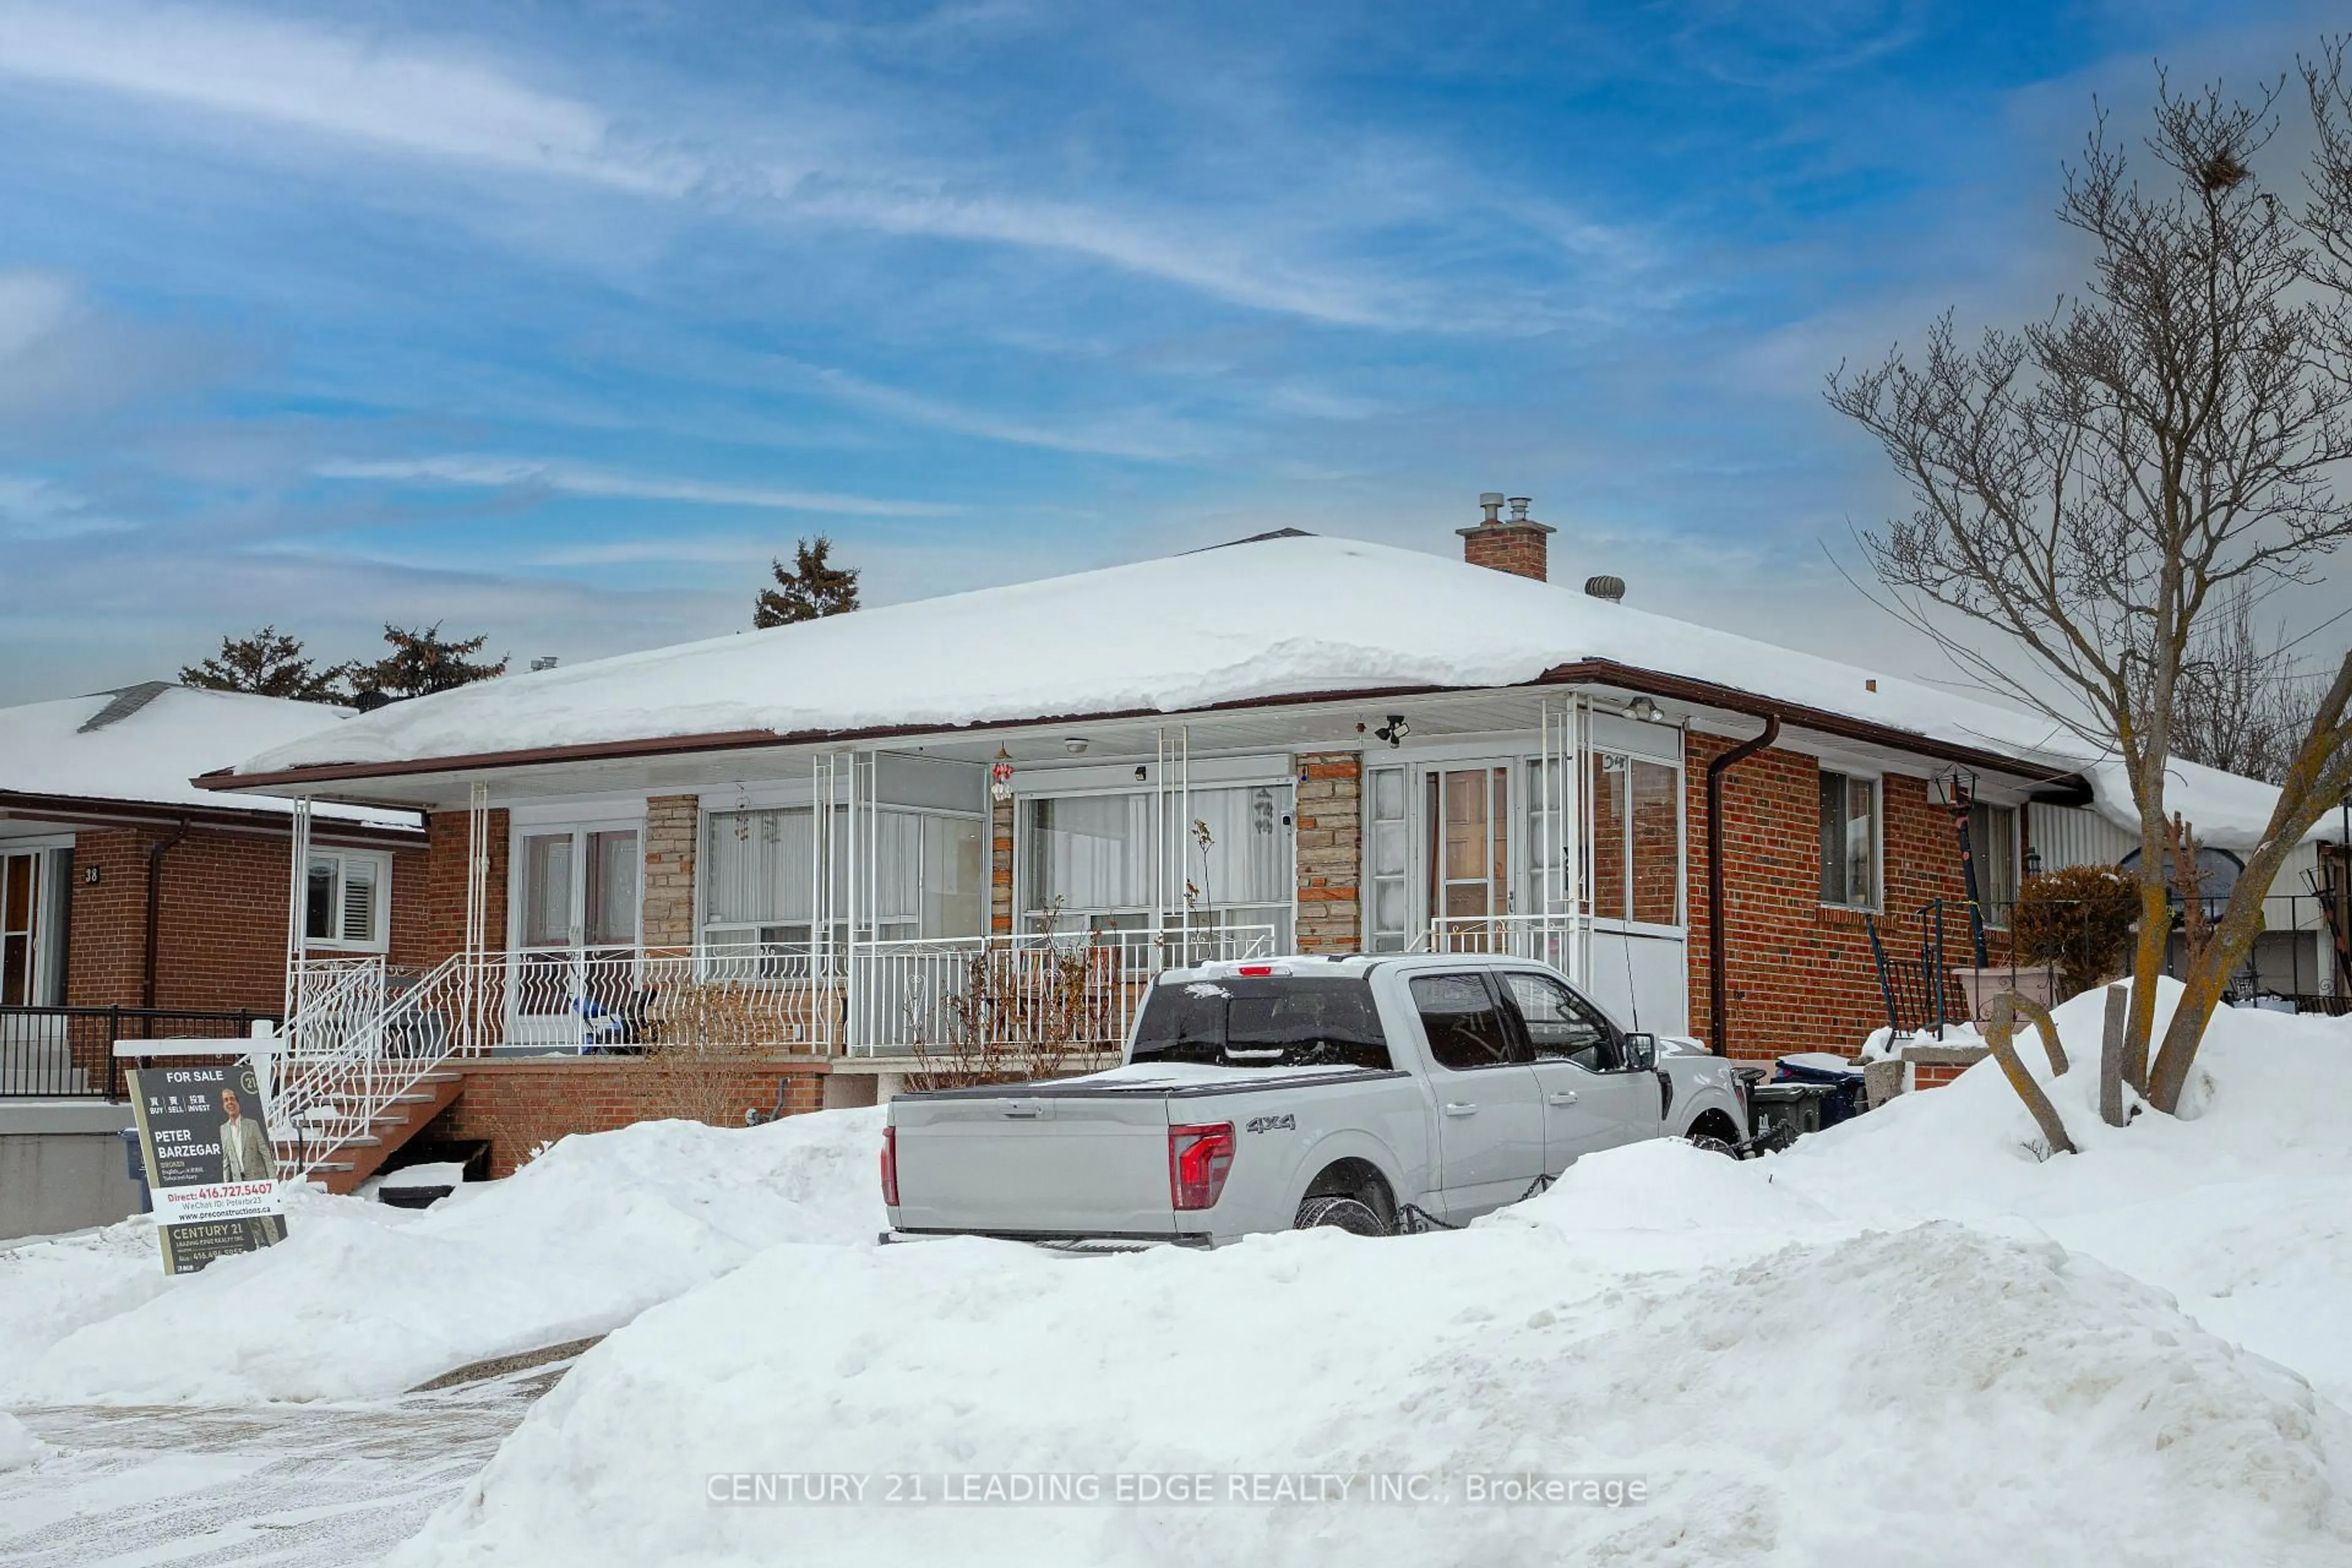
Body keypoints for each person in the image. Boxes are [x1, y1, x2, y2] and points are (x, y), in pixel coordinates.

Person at [217, 1088, 276, 1183]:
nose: (230, 1103)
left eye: (232, 1099)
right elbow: (226, 1161)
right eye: (226, 1100)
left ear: (238, 1103)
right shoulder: (223, 1129)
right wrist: (226, 1185)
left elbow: (265, 1153)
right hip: (239, 1183)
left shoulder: (252, 1125)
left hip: (258, 1180)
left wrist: (273, 1180)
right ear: (224, 1106)